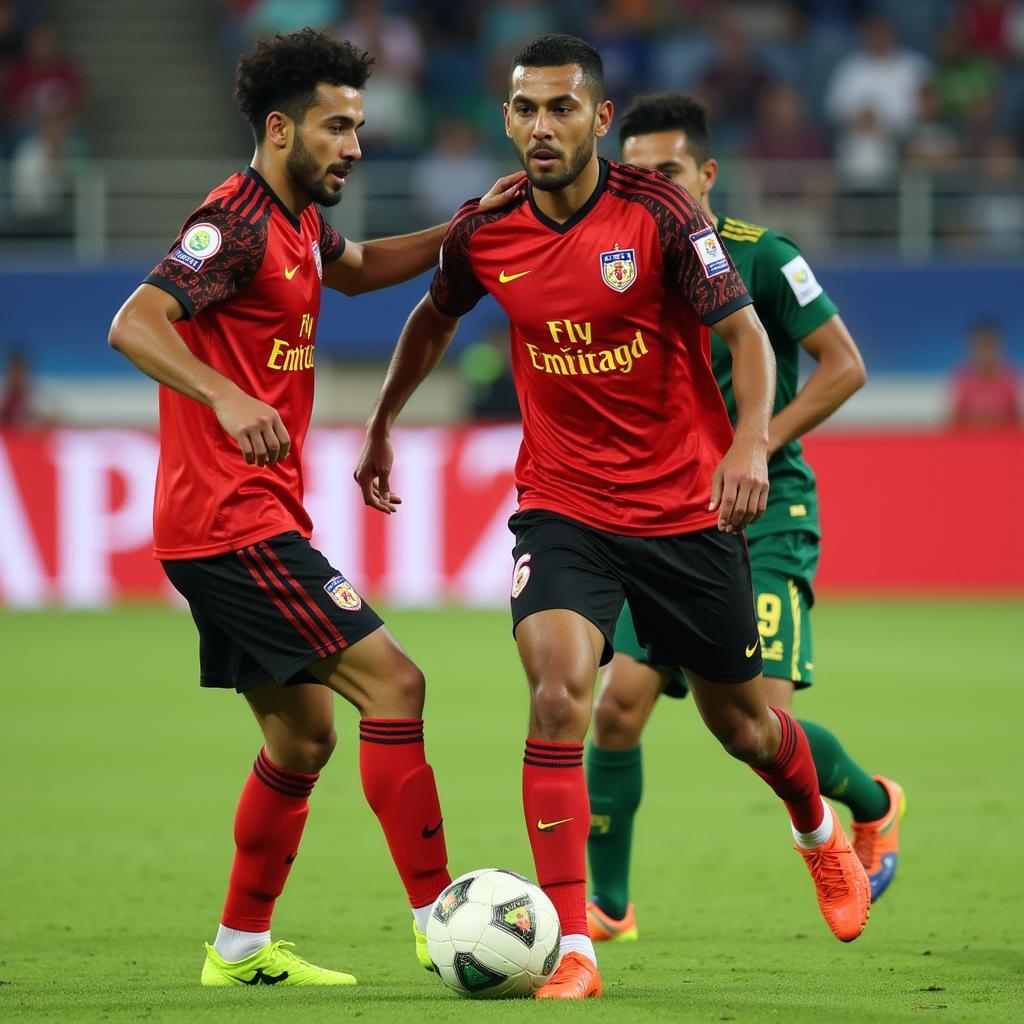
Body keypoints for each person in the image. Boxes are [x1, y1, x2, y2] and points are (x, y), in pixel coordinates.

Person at [355, 34, 871, 1002]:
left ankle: (819, 832)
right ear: (506, 119)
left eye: (560, 108)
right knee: (559, 696)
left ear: (598, 117)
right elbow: (430, 318)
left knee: (748, 727)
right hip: (562, 507)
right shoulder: (485, 228)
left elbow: (744, 336)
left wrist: (750, 442)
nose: (539, 127)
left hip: (683, 513)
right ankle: (575, 948)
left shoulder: (663, 215)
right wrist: (382, 425)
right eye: (523, 109)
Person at [107, 28, 522, 988]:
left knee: (304, 737)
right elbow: (136, 320)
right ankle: (441, 922)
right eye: (338, 127)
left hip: (247, 519)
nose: (355, 146)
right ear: (281, 126)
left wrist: (466, 229)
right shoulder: (235, 221)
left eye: (360, 126)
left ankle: (240, 950)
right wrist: (226, 393)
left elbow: (362, 263)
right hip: (229, 521)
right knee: (397, 687)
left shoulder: (296, 223)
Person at [583, 93, 906, 947]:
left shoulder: (762, 258)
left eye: (670, 172)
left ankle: (873, 804)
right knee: (616, 707)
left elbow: (844, 366)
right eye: (637, 172)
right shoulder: (617, 259)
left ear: (708, 174)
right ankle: (608, 906)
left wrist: (754, 444)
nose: (652, 186)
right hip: (667, 516)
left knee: (757, 721)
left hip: (765, 513)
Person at [950, 319, 1021, 428]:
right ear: (970, 347)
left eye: (990, 345)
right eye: (981, 346)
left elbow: (1016, 419)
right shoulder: (962, 378)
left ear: (1001, 347)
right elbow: (955, 421)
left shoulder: (1010, 377)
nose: (986, 353)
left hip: (1002, 440)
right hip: (971, 440)